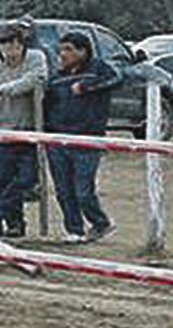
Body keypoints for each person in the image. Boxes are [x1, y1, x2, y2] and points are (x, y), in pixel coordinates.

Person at [0, 21, 48, 239]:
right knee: (2, 182)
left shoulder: (36, 58)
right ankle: (13, 224)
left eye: (12, 43)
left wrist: (1, 91)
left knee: (28, 179)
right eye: (3, 44)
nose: (8, 49)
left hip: (28, 131)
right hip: (0, 132)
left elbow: (35, 79)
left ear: (21, 43)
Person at [43, 31, 120, 243]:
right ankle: (74, 230)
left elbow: (117, 78)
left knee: (83, 190)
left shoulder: (98, 69)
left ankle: (100, 222)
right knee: (63, 190)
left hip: (87, 139)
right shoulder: (57, 76)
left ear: (83, 51)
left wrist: (87, 87)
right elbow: (47, 103)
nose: (63, 54)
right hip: (58, 139)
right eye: (61, 50)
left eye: (69, 49)